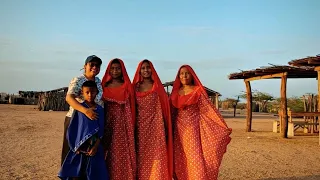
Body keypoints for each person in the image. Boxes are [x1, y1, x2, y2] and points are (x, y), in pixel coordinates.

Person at [170, 65, 232, 180]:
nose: (184, 76)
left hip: (193, 131)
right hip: (178, 132)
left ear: (192, 75)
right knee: (180, 158)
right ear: (178, 76)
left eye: (187, 73)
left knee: (194, 157)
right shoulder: (175, 93)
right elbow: (171, 113)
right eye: (182, 73)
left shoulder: (197, 91)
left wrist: (221, 127)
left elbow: (208, 109)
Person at [58, 80, 109, 180]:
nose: (90, 95)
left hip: (94, 148)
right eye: (87, 92)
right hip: (79, 148)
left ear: (97, 93)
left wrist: (96, 146)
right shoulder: (80, 109)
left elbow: (101, 130)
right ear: (82, 93)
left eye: (93, 92)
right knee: (77, 174)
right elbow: (73, 128)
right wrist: (75, 147)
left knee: (93, 174)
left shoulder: (99, 110)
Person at [132, 60, 173, 180]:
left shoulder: (157, 86)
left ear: (152, 69)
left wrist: (165, 125)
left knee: (158, 155)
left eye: (148, 68)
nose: (146, 70)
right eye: (143, 68)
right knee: (143, 156)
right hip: (141, 127)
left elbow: (164, 105)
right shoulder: (135, 87)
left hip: (156, 126)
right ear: (139, 71)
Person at [61, 55, 104, 166]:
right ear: (85, 66)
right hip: (76, 120)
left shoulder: (98, 82)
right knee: (73, 152)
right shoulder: (78, 80)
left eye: (97, 65)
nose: (95, 67)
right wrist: (85, 111)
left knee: (89, 154)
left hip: (92, 121)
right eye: (92, 64)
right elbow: (69, 98)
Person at [101, 58, 136, 180]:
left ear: (122, 70)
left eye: (117, 68)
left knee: (121, 152)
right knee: (107, 151)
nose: (115, 71)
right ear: (109, 70)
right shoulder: (104, 86)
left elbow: (132, 105)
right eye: (112, 68)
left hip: (122, 125)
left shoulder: (127, 86)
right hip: (107, 123)